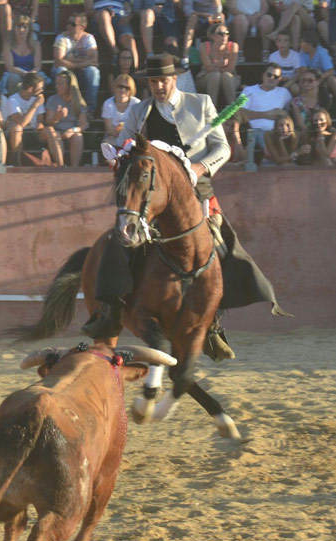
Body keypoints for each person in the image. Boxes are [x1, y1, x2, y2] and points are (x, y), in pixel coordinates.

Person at [81, 53, 285, 361]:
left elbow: (222, 147)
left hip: (195, 192)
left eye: (163, 80)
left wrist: (199, 167)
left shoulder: (200, 103)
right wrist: (118, 154)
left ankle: (212, 325)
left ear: (174, 79)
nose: (159, 86)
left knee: (221, 243)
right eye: (153, 82)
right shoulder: (140, 110)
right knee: (118, 239)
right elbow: (126, 143)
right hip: (155, 194)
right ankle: (109, 311)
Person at [7, 71, 62, 166]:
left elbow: (40, 120)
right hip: (19, 134)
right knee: (17, 129)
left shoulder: (37, 98)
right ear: (30, 89)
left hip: (34, 132)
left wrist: (40, 125)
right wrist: (35, 105)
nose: (42, 91)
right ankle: (18, 162)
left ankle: (61, 165)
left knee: (50, 130)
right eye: (40, 88)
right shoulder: (13, 100)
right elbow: (21, 123)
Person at [53, 11, 100, 117]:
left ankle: (89, 110)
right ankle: (60, 108)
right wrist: (81, 62)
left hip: (81, 74)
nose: (69, 26)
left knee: (93, 72)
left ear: (82, 27)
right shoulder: (61, 38)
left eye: (73, 24)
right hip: (66, 72)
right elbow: (58, 61)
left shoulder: (89, 38)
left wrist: (70, 61)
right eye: (68, 23)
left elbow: (94, 60)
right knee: (61, 71)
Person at [240, 62, 292, 148]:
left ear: (280, 79)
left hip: (275, 133)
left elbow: (291, 110)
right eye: (269, 75)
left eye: (276, 77)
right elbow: (240, 112)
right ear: (263, 75)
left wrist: (284, 115)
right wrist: (265, 115)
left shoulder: (284, 93)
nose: (272, 78)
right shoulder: (249, 90)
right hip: (253, 131)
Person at [45, 69, 88, 167]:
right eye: (56, 83)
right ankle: (61, 166)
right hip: (56, 131)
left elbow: (83, 124)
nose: (57, 87)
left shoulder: (79, 102)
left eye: (60, 84)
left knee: (78, 136)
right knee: (53, 133)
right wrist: (57, 117)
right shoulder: (52, 100)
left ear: (69, 86)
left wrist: (73, 130)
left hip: (71, 131)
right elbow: (48, 122)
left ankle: (74, 168)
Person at [84, 0, 139, 70]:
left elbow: (128, 8)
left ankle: (134, 71)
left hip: (120, 18)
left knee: (130, 41)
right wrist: (105, 11)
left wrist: (128, 16)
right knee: (104, 14)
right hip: (100, 19)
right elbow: (88, 11)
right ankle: (116, 53)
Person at [196, 23, 239, 108]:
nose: (224, 36)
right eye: (221, 34)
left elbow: (230, 69)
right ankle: (211, 111)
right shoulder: (204, 46)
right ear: (212, 36)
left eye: (226, 33)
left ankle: (234, 111)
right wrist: (219, 64)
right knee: (215, 75)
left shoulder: (233, 46)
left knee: (225, 76)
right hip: (207, 79)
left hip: (229, 79)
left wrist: (214, 67)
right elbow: (208, 69)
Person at [0, 12, 43, 97]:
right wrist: (24, 73)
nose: (21, 30)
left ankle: (37, 106)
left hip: (32, 73)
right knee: (15, 79)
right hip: (14, 73)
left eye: (25, 27)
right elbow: (10, 67)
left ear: (29, 29)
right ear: (14, 28)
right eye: (18, 26)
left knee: (37, 80)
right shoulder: (8, 44)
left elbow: (37, 66)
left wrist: (30, 74)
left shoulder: (36, 45)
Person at [181, 0, 224, 67]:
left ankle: (220, 53)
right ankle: (185, 56)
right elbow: (187, 10)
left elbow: (219, 8)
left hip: (212, 19)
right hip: (197, 19)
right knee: (193, 18)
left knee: (220, 16)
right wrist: (202, 15)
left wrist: (216, 10)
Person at [102, 73, 140, 144]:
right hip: (113, 136)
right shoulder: (107, 103)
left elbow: (138, 126)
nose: (123, 90)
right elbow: (108, 129)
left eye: (127, 88)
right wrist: (117, 130)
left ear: (131, 90)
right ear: (115, 87)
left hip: (132, 136)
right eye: (120, 86)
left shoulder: (136, 103)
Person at [299, 29, 336, 101]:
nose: (300, 44)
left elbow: (330, 71)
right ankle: (303, 102)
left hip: (324, 76)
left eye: (302, 42)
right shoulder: (302, 53)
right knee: (302, 78)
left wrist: (318, 78)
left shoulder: (322, 53)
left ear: (309, 45)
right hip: (311, 75)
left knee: (331, 80)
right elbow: (304, 70)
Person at [268, 29, 301, 95]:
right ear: (276, 43)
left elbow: (298, 73)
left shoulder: (296, 55)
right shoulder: (273, 56)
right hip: (278, 81)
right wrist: (287, 80)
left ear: (290, 43)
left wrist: (289, 82)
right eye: (279, 41)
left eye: (285, 41)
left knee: (295, 88)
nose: (282, 43)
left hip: (292, 81)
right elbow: (274, 75)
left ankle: (293, 104)